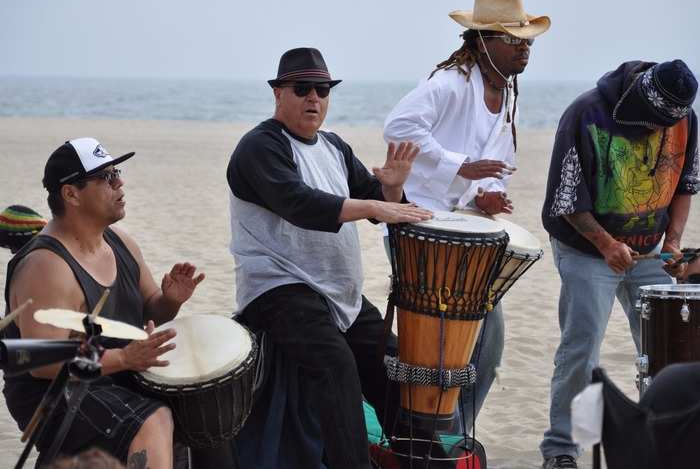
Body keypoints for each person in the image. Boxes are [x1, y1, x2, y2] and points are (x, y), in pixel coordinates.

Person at [227, 47, 432, 469]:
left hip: (340, 295)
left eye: (322, 89)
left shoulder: (335, 146)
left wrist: (390, 191)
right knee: (337, 366)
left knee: (394, 366)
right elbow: (299, 203)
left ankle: (428, 460)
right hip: (279, 289)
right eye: (302, 89)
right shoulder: (259, 147)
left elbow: (379, 203)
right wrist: (376, 207)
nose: (313, 98)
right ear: (278, 93)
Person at [383, 0, 550, 426]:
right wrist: (462, 167)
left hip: (462, 230)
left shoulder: (506, 91)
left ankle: (455, 434)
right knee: (442, 353)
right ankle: (439, 437)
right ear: (482, 41)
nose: (524, 50)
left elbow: (489, 166)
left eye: (528, 41)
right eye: (514, 41)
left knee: (486, 351)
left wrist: (484, 193)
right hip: (421, 225)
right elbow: (399, 126)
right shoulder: (451, 83)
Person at [2, 138, 205, 469]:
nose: (120, 182)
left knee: (193, 410)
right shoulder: (46, 265)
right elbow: (40, 360)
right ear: (71, 194)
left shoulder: (119, 242)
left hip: (115, 374)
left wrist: (170, 300)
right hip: (53, 392)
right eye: (106, 177)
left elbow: (151, 307)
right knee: (154, 418)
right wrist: (124, 356)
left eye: (117, 172)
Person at [540, 59, 698, 469]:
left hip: (651, 248)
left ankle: (669, 442)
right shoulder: (586, 113)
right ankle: (562, 447)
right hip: (586, 248)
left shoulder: (685, 119)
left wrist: (675, 241)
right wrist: (606, 244)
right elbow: (566, 198)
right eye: (651, 121)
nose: (656, 130)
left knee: (670, 345)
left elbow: (685, 185)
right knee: (582, 347)